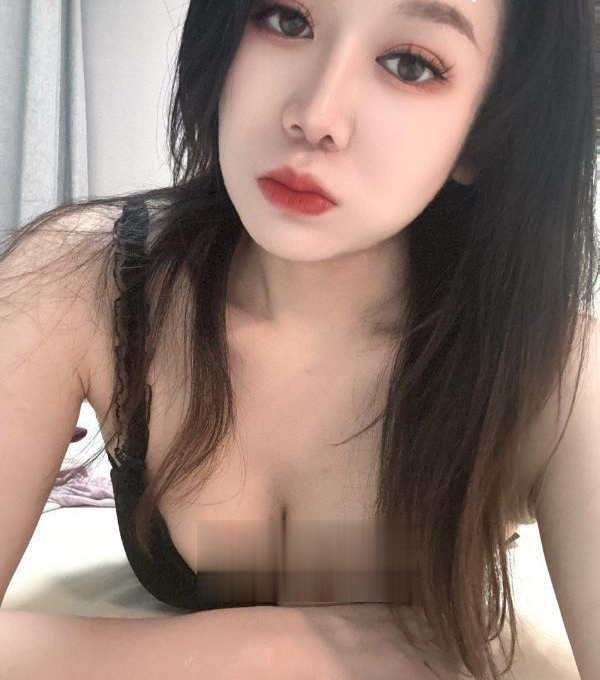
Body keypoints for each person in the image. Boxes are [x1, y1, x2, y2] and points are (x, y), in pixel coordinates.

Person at [0, 0, 597, 678]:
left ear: (485, 132)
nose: (316, 116)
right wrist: (270, 652)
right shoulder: (87, 279)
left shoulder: (554, 371)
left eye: (410, 64)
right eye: (287, 19)